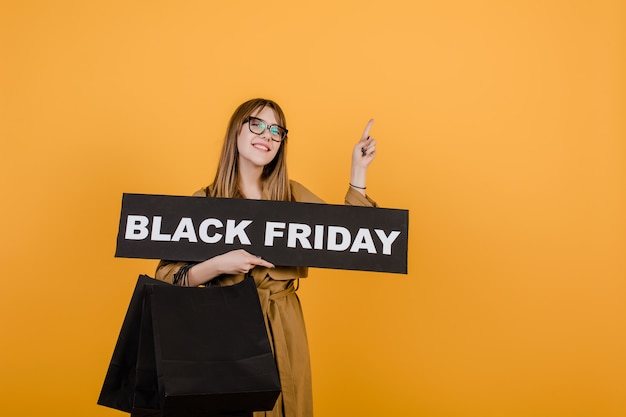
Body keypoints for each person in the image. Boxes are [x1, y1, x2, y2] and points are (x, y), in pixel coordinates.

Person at [154, 98, 378, 417]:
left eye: (276, 130)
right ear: (237, 131)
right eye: (257, 125)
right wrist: (219, 264)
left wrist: (358, 171)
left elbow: (355, 238)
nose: (268, 135)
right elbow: (167, 279)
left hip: (285, 326)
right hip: (225, 331)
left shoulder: (292, 195)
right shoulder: (204, 202)